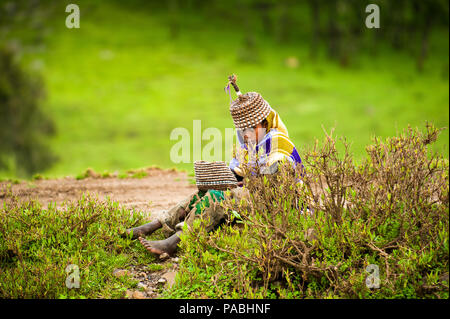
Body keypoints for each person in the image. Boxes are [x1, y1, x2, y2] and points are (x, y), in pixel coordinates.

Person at [124, 75, 303, 257]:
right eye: (242, 130)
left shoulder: (278, 144)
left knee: (218, 197)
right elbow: (238, 175)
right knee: (203, 193)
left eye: (251, 128)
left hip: (277, 205)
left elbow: (271, 187)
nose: (246, 134)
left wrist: (235, 186)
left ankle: (176, 241)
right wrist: (220, 179)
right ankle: (156, 225)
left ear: (265, 123)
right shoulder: (249, 147)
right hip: (255, 197)